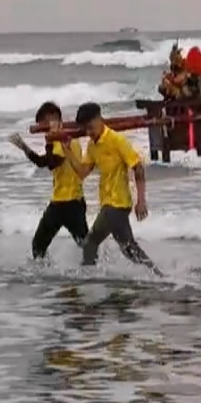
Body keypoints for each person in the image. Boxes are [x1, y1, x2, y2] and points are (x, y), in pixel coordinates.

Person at [59, 102, 161, 275]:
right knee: (128, 247)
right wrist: (67, 152)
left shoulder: (117, 140)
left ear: (100, 120)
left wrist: (141, 201)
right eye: (86, 130)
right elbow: (83, 172)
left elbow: (138, 167)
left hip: (118, 203)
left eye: (91, 127)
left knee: (91, 242)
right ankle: (155, 274)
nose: (89, 133)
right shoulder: (92, 146)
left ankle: (87, 276)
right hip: (108, 203)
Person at [8, 102, 89, 260]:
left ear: (53, 118)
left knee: (85, 244)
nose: (42, 128)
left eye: (44, 123)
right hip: (58, 203)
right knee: (38, 245)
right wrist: (25, 148)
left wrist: (50, 141)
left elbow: (52, 163)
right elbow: (42, 162)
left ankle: (98, 271)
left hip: (73, 202)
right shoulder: (57, 140)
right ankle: (45, 277)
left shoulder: (66, 139)